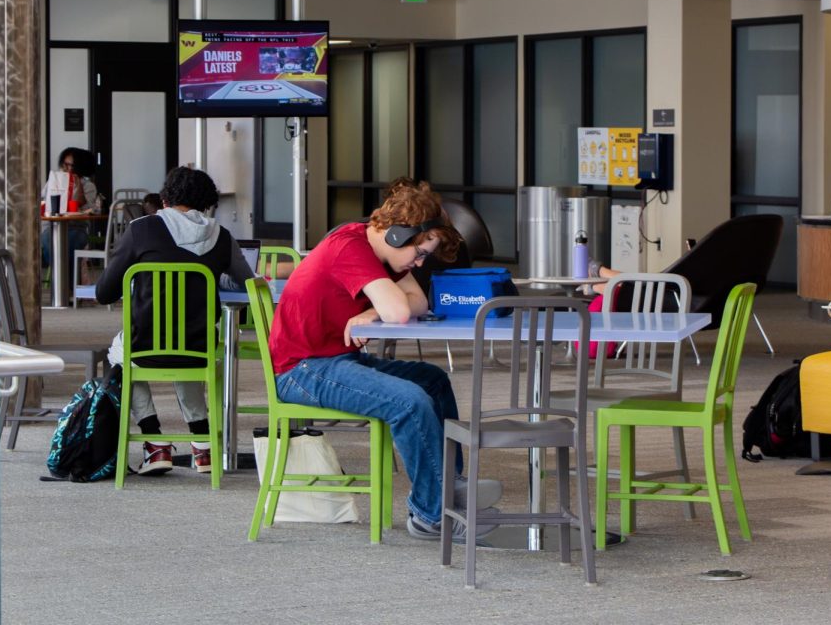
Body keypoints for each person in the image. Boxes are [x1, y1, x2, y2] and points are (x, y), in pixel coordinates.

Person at [268, 178, 502, 542]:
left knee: (431, 379)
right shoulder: (350, 245)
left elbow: (418, 301)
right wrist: (381, 312)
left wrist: (369, 315)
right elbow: (398, 309)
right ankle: (430, 515)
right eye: (420, 253)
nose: (420, 262)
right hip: (303, 369)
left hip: (335, 361)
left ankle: (447, 486)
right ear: (395, 235)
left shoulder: (383, 255)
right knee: (409, 402)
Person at [95, 167, 254, 475]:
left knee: (117, 357)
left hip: (145, 346)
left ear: (164, 199)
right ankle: (203, 444)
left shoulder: (141, 229)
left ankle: (154, 442)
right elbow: (246, 282)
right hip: (199, 346)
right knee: (185, 344)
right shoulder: (221, 236)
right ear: (206, 203)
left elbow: (104, 292)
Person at [39, 147, 103, 268]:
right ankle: (62, 274)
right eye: (65, 164)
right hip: (52, 226)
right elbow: (43, 199)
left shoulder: (88, 186)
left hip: (76, 227)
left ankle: (64, 276)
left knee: (72, 241)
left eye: (71, 165)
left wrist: (78, 188)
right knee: (49, 239)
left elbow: (87, 209)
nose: (66, 168)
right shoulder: (54, 181)